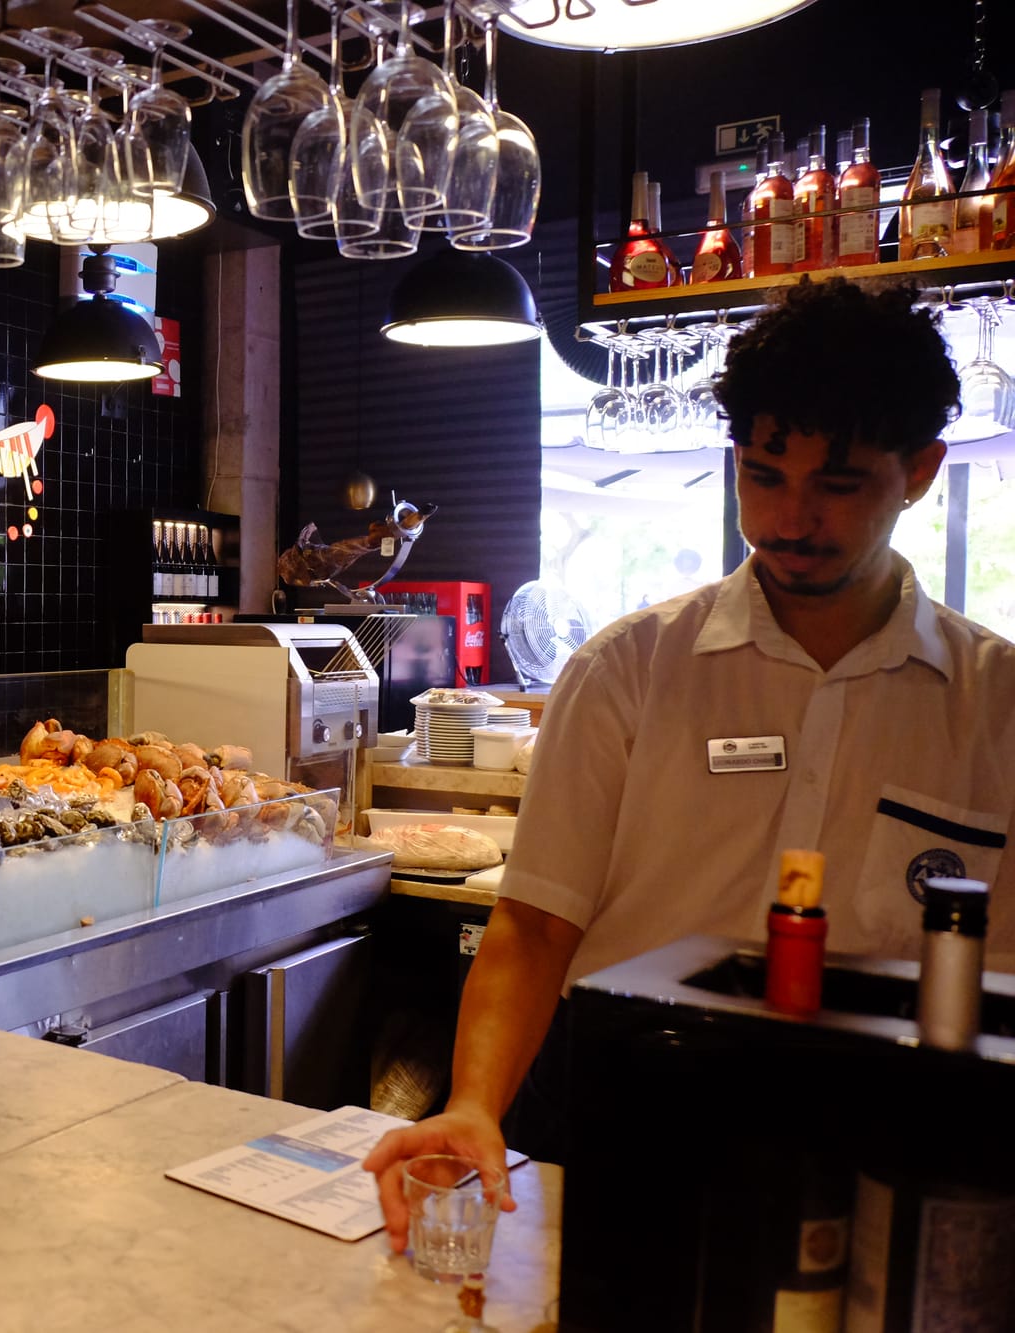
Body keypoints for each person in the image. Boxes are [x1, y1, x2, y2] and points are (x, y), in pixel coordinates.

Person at [363, 277, 1015, 1247]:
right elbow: (535, 925)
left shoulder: (993, 706)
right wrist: (472, 1103)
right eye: (762, 474)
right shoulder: (629, 669)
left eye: (837, 485)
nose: (788, 518)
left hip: (875, 1151)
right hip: (628, 1114)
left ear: (919, 470)